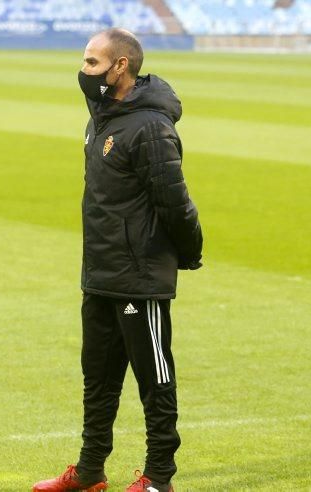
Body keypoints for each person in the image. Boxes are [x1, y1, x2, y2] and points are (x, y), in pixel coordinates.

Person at [32, 28, 203, 492]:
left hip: (138, 277)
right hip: (100, 273)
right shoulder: (101, 117)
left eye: (91, 63)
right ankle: (89, 473)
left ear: (120, 66)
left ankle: (158, 479)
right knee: (98, 381)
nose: (83, 71)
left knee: (155, 380)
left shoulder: (150, 127)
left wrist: (188, 254)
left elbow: (175, 201)